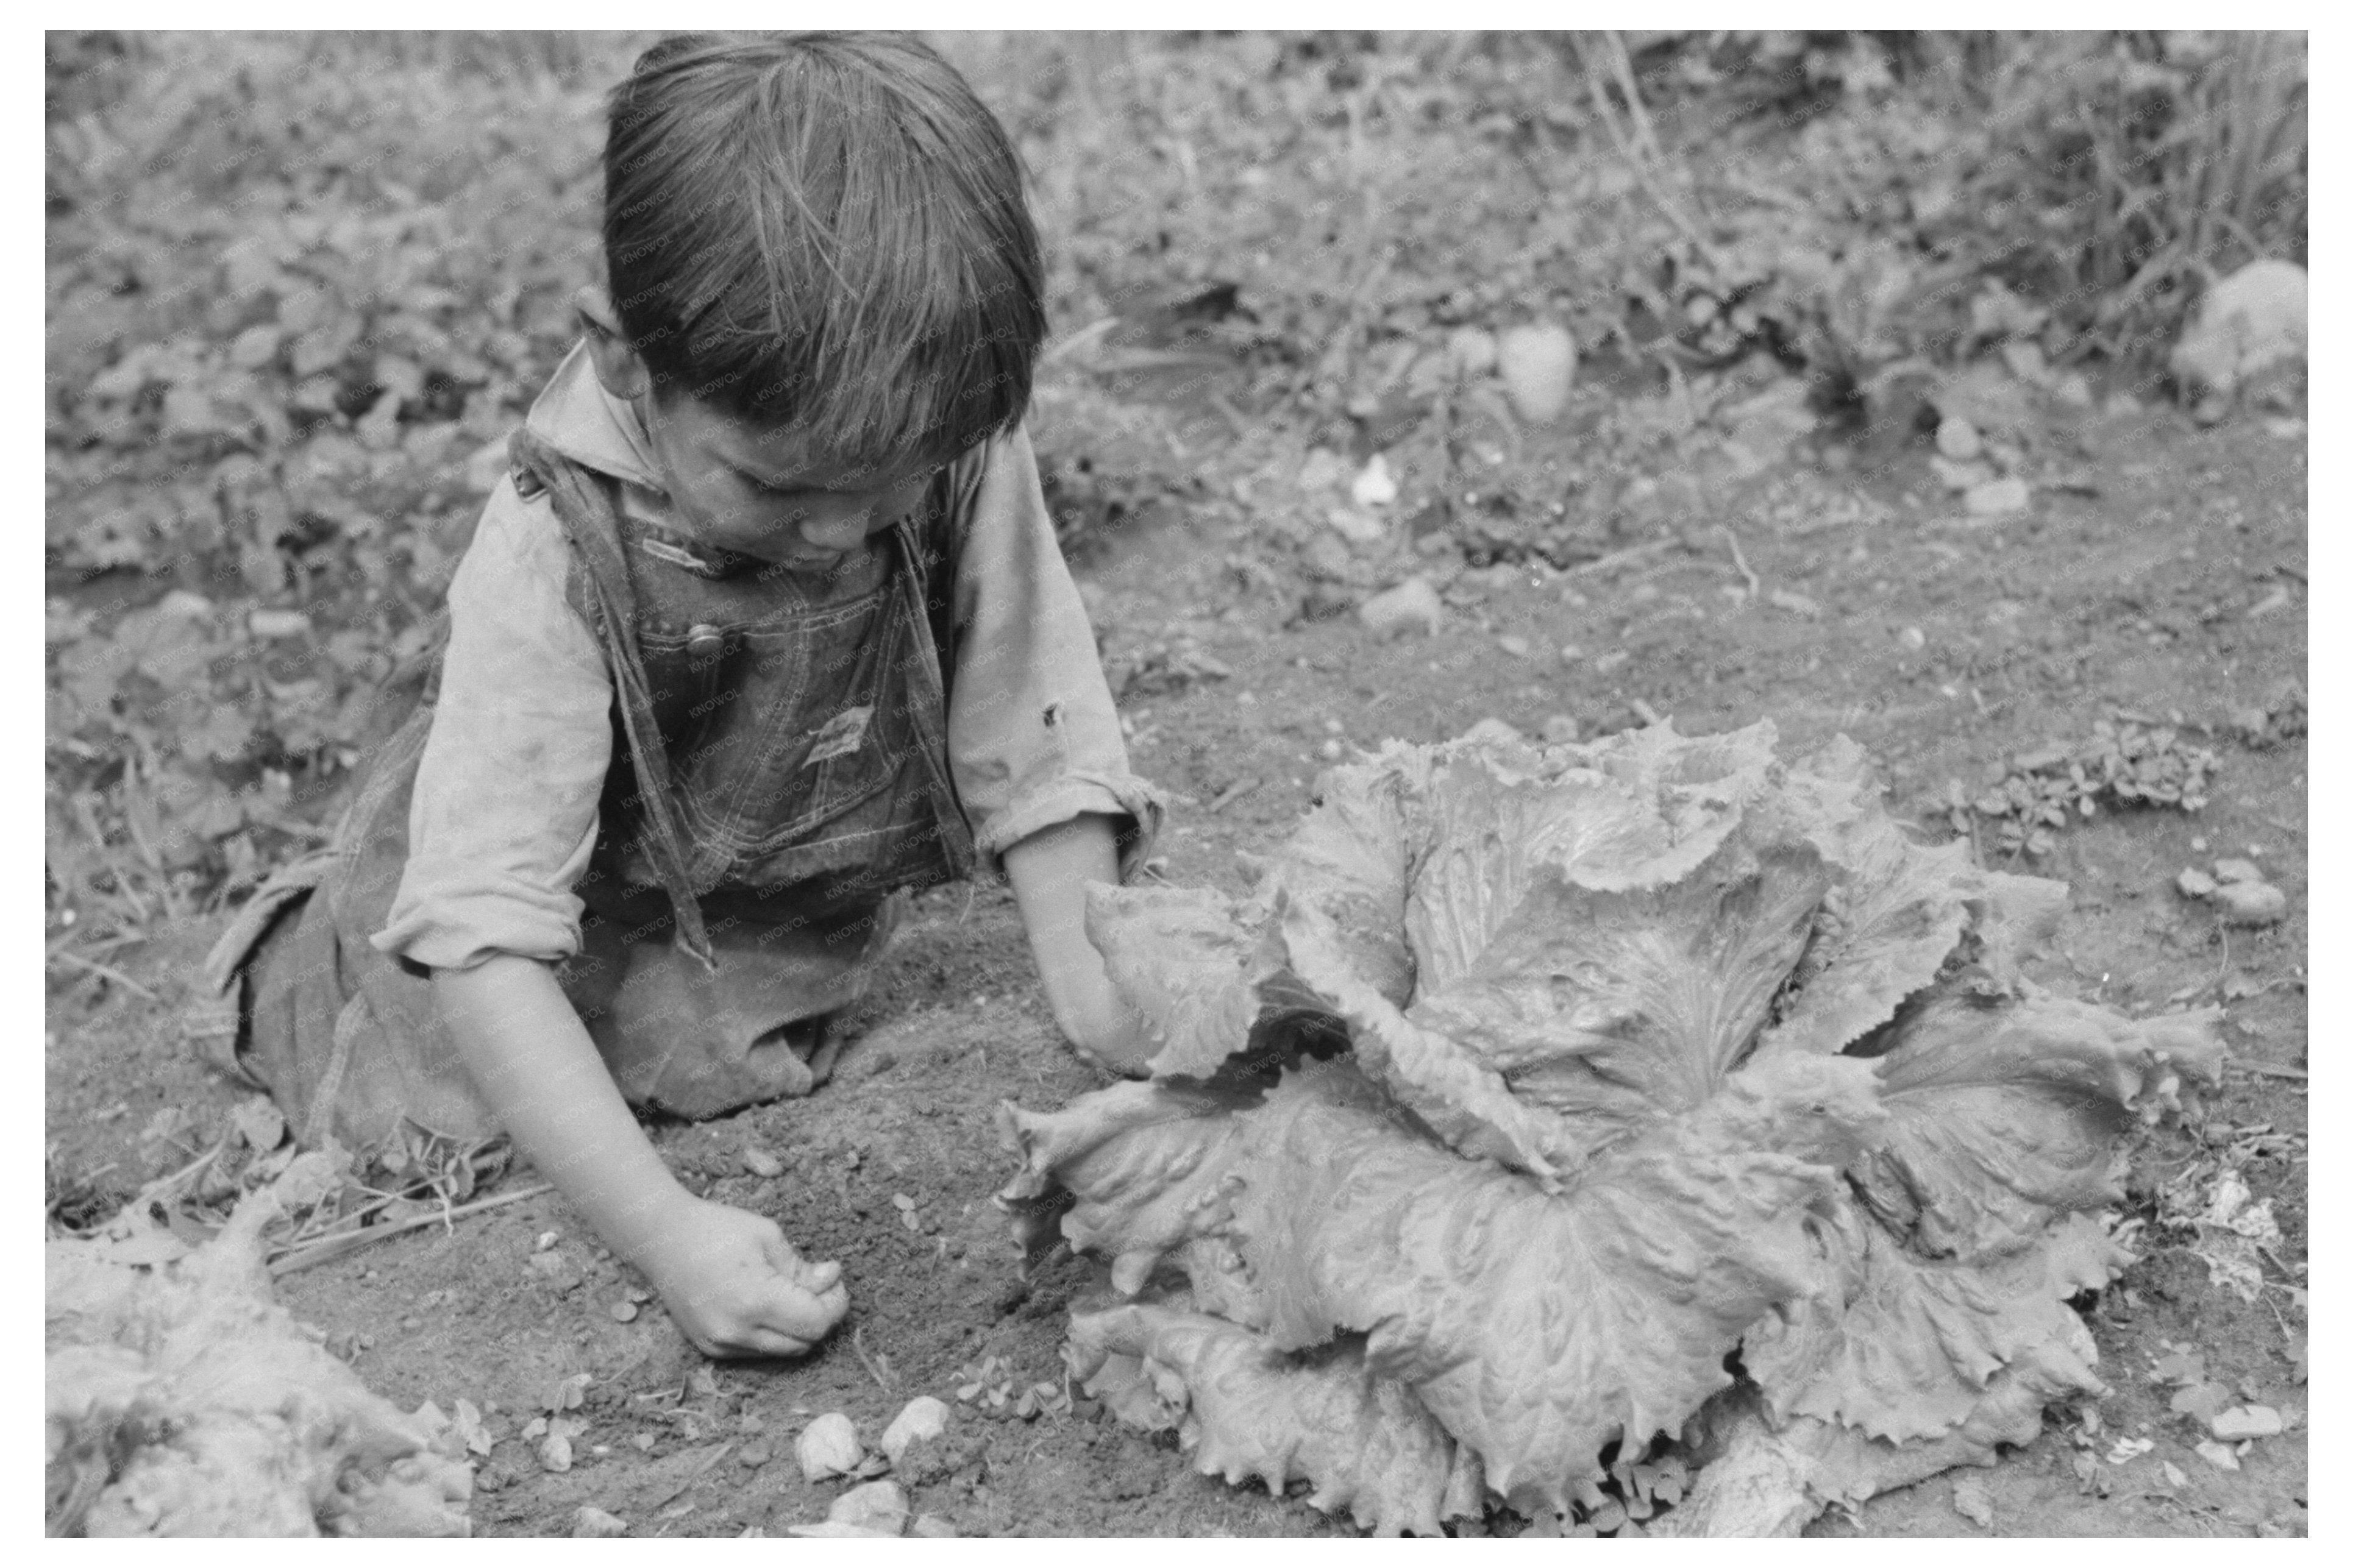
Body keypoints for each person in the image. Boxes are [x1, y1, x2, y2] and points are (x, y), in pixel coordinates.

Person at [202, 31, 1163, 1360]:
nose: (844, 531)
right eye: (779, 490)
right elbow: (482, 934)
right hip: (509, 965)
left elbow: (1035, 730)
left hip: (744, 913)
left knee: (724, 1045)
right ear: (621, 358)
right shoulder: (554, 548)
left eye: (890, 486)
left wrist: (1100, 997)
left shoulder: (934, 436)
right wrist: (667, 1234)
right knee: (443, 1101)